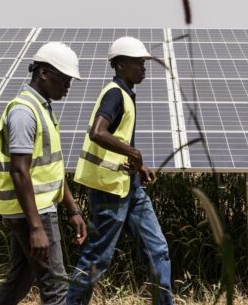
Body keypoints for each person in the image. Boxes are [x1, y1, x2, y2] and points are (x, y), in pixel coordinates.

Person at [67, 37, 173, 305]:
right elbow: (98, 132)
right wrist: (134, 154)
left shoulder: (126, 94)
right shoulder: (115, 93)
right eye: (138, 62)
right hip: (109, 192)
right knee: (97, 258)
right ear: (121, 65)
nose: (144, 67)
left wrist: (139, 166)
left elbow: (120, 141)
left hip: (130, 188)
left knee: (158, 250)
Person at [0, 42, 87, 305]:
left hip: (33, 209)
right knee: (56, 287)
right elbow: (20, 171)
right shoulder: (24, 112)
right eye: (64, 78)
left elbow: (51, 169)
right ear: (44, 73)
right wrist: (36, 227)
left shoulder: (42, 108)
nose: (68, 85)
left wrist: (73, 209)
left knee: (20, 280)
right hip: (33, 212)